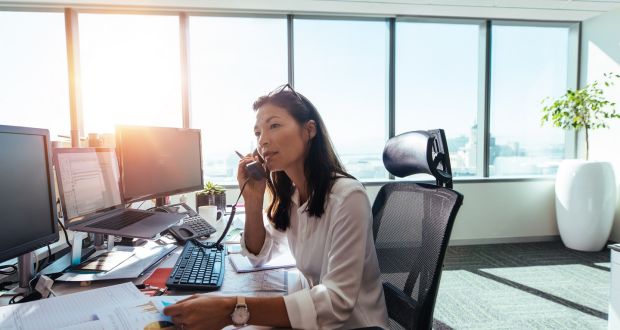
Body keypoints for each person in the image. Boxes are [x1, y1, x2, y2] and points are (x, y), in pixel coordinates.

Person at [164, 84, 389, 329]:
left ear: (309, 130)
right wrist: (253, 200)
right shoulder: (292, 196)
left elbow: (337, 302)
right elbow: (258, 257)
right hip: (314, 321)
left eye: (274, 126)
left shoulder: (347, 197)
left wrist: (231, 308)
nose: (263, 141)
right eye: (258, 132)